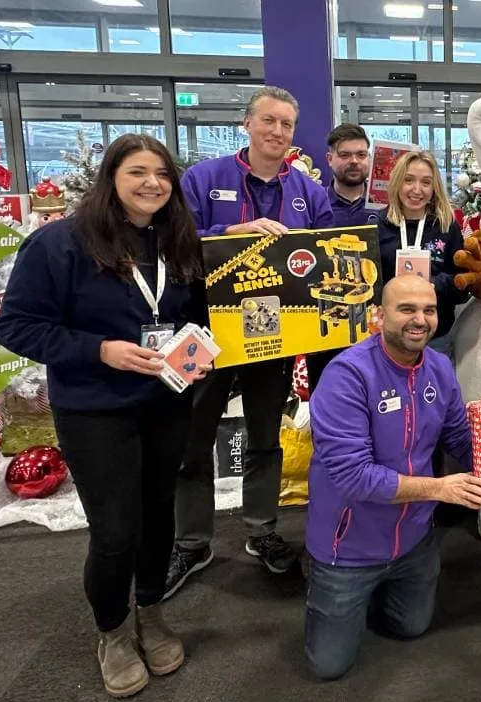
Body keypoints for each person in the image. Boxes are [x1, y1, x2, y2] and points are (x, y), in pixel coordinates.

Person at [0, 134, 211, 697]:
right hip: (95, 407)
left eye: (162, 174)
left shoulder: (177, 239)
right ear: (110, 177)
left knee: (158, 514)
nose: (152, 184)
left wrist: (199, 352)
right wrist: (100, 350)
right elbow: (16, 325)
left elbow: (195, 313)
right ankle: (112, 630)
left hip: (166, 401)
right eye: (137, 171)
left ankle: (151, 610)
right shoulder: (59, 243)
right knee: (116, 530)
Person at [165, 86, 335, 598]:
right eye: (268, 120)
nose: (277, 131)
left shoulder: (309, 191)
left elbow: (322, 254)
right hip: (206, 332)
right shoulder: (203, 179)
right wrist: (234, 231)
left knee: (265, 437)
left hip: (273, 336)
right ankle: (192, 542)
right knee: (193, 440)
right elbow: (176, 242)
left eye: (287, 124)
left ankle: (262, 531)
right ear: (247, 123)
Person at [302, 274, 481, 681]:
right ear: (379, 315)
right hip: (349, 547)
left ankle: (384, 587)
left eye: (429, 310)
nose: (420, 319)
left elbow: (459, 436)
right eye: (407, 309)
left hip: (415, 538)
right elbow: (355, 477)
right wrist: (440, 489)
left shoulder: (439, 367)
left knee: (410, 627)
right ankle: (322, 580)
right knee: (327, 667)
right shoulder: (346, 375)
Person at [304, 123, 380, 391]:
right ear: (329, 158)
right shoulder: (313, 203)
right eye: (345, 155)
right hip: (325, 331)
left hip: (377, 326)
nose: (354, 161)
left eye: (361, 154)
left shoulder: (386, 204)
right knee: (326, 396)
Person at [375, 150, 469, 358]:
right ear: (397, 182)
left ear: (434, 187)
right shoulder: (379, 225)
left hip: (436, 339)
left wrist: (433, 284)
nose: (417, 190)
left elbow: (462, 285)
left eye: (426, 182)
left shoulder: (446, 227)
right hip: (389, 338)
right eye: (408, 180)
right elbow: (370, 284)